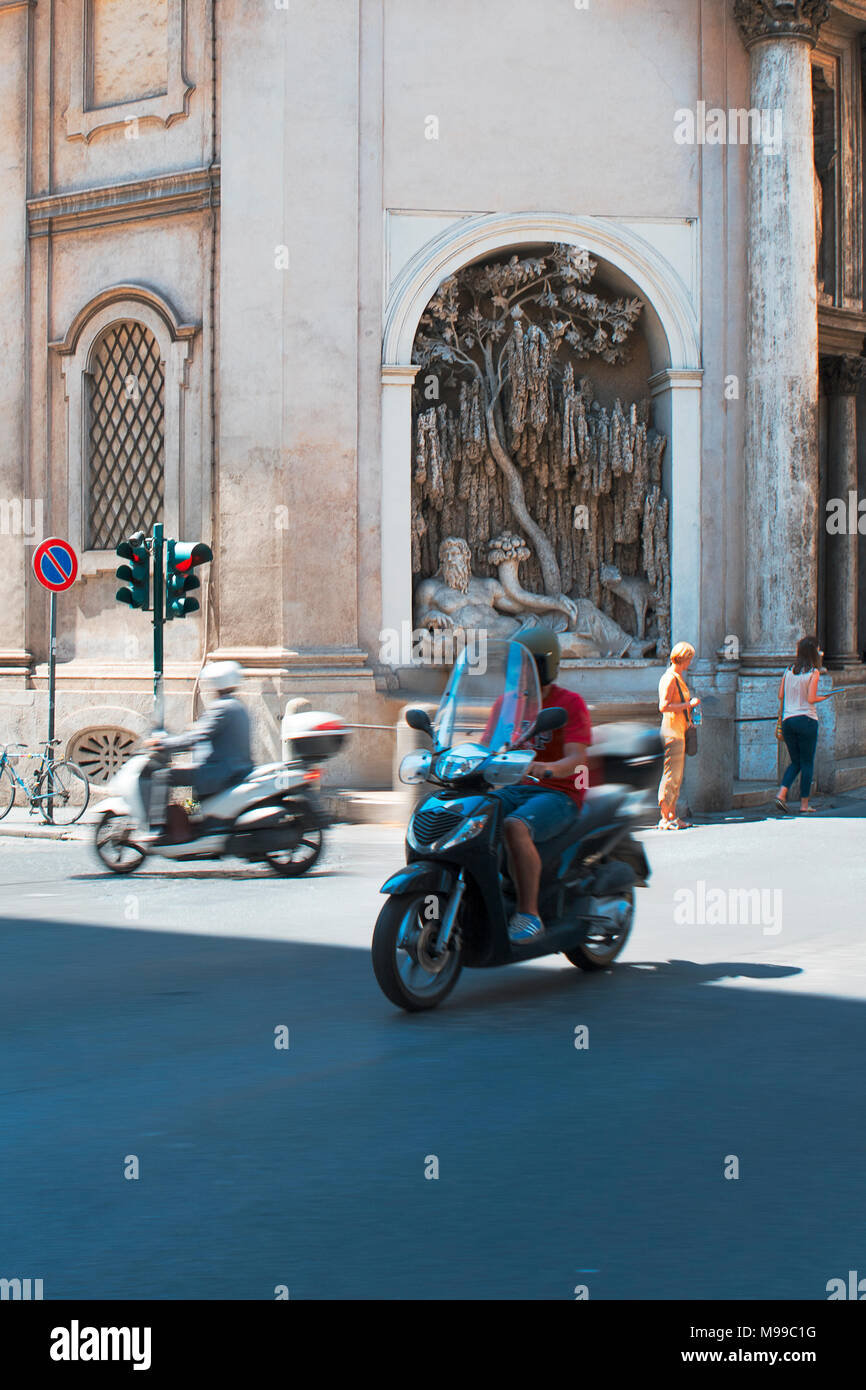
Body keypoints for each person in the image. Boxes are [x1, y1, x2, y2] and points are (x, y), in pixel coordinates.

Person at [486, 627, 592, 944]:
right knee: (472, 817)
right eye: (516, 665)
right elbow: (488, 748)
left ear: (545, 666)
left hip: (559, 792)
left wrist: (545, 769)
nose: (519, 672)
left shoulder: (569, 704)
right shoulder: (505, 705)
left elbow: (577, 758)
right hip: (516, 788)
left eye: (527, 664)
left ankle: (529, 915)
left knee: (515, 827)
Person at [140, 660, 253, 841]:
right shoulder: (237, 706)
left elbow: (197, 737)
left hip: (219, 771)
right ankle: (191, 818)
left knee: (163, 776)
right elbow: (207, 733)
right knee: (192, 799)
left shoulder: (221, 708)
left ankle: (157, 826)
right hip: (232, 767)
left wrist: (163, 744)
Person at [775, 635, 828, 816]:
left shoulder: (789, 670)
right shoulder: (814, 672)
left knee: (796, 761)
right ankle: (805, 803)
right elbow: (811, 699)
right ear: (814, 652)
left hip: (788, 721)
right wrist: (827, 696)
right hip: (806, 719)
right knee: (806, 762)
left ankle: (782, 792)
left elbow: (780, 694)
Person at [657, 641, 700, 829]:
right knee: (671, 776)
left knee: (676, 776)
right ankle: (666, 817)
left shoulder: (677, 677)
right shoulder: (670, 678)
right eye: (689, 658)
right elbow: (663, 706)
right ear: (683, 658)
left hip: (678, 731)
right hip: (671, 732)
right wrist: (688, 705)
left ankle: (672, 814)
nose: (690, 662)